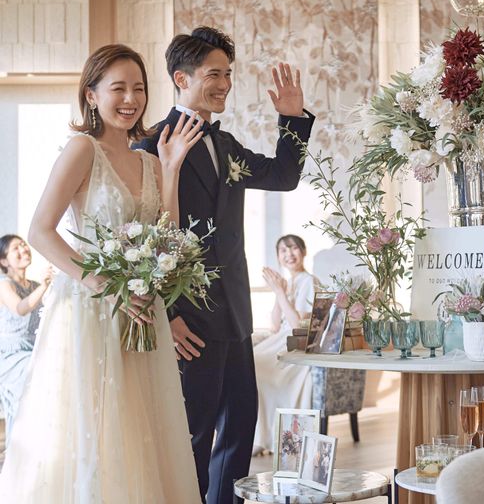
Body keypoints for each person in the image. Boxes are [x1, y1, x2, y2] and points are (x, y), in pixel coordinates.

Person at [0, 44, 203, 502]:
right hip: (91, 311)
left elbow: (166, 237)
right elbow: (40, 230)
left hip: (142, 310)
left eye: (139, 88)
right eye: (118, 88)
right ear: (91, 95)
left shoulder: (149, 160)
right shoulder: (82, 150)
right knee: (97, 427)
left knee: (141, 428)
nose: (131, 99)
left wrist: (171, 169)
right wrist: (103, 285)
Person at [134, 26, 314, 504]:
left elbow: (283, 176)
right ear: (182, 78)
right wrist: (167, 315)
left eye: (228, 74)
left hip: (235, 313)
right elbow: (144, 241)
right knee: (193, 435)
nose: (225, 84)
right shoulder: (149, 147)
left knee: (239, 426)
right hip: (188, 319)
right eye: (214, 74)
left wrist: (292, 120)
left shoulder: (227, 144)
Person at [252, 234, 319, 456]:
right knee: (248, 364)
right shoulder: (288, 283)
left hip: (296, 341)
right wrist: (278, 292)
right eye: (283, 250)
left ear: (303, 251)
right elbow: (274, 325)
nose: (289, 254)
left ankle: (266, 438)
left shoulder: (309, 281)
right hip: (279, 338)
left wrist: (281, 292)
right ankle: (259, 435)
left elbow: (297, 325)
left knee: (259, 369)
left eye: (293, 248)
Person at [0, 235, 52, 437]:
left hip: (34, 350)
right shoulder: (4, 284)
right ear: (4, 261)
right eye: (16, 248)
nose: (23, 248)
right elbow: (20, 308)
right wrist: (44, 286)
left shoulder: (34, 285)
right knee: (27, 398)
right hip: (12, 357)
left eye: (23, 244)